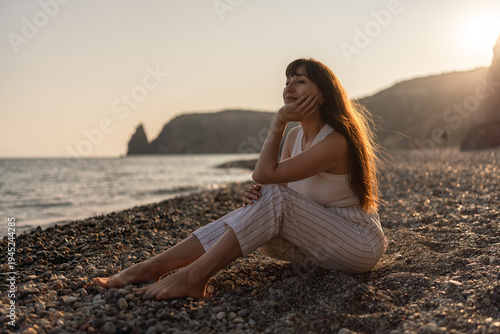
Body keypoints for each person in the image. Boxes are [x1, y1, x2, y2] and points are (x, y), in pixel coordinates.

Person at [93, 58, 387, 300]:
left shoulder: (337, 141)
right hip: (317, 242)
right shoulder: (296, 136)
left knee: (270, 201)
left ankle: (192, 278)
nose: (289, 87)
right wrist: (254, 195)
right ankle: (152, 266)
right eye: (287, 81)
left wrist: (278, 122)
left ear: (323, 93)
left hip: (357, 243)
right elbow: (271, 186)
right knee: (254, 207)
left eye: (300, 81)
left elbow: (266, 176)